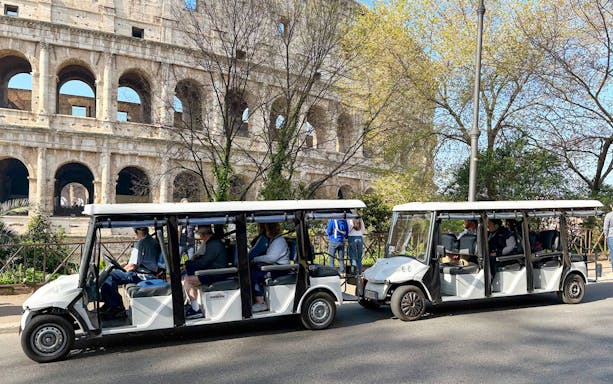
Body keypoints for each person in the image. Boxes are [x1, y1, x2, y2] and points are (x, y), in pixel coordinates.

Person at [101, 227, 160, 319]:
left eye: (136, 232)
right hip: (148, 273)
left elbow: (132, 266)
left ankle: (116, 307)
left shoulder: (141, 243)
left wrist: (122, 269)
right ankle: (111, 305)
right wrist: (121, 266)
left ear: (139, 233)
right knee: (113, 273)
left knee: (108, 276)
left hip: (141, 275)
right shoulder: (152, 241)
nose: (136, 235)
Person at [182, 225, 228, 319]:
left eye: (200, 234)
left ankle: (195, 310)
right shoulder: (211, 243)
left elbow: (204, 263)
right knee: (187, 275)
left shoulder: (213, 244)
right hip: (213, 270)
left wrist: (188, 263)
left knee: (187, 280)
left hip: (217, 273)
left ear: (204, 235)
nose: (200, 237)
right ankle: (193, 306)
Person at [251, 222, 290, 312]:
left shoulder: (279, 241)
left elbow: (271, 258)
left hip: (281, 269)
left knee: (255, 274)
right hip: (275, 266)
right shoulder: (274, 240)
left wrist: (255, 259)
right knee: (253, 269)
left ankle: (261, 303)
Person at [603, 206, 613, 274]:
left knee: (612, 254)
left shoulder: (609, 215)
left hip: (611, 236)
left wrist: (606, 236)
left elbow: (605, 228)